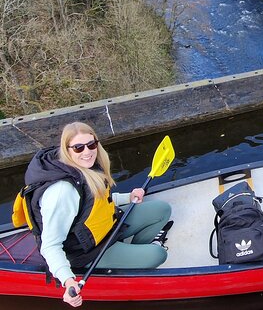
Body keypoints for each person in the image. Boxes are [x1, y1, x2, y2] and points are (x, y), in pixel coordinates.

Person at [20, 122, 172, 307]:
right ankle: (135, 261)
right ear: (67, 150)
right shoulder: (62, 192)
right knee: (158, 254)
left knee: (162, 209)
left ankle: (133, 257)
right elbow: (50, 245)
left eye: (91, 145)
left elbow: (94, 203)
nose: (87, 152)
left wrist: (128, 196)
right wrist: (68, 281)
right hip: (85, 251)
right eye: (78, 147)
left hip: (106, 228)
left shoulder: (86, 165)